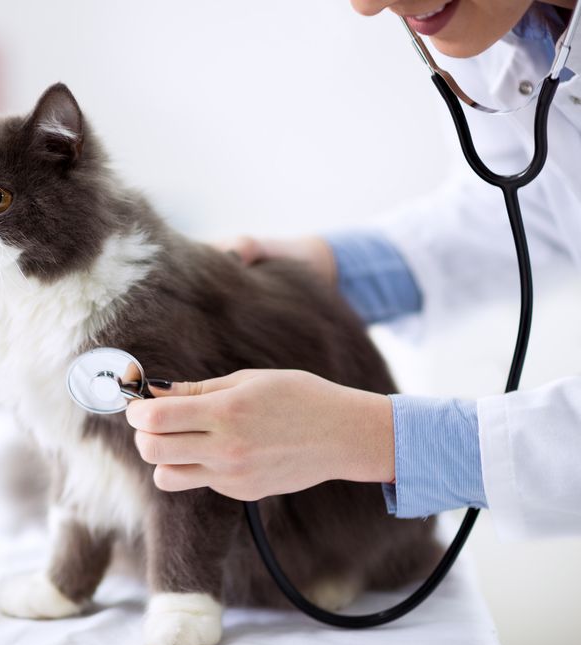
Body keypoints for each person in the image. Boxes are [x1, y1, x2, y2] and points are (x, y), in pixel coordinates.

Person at [126, 0, 581, 541]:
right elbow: (533, 205)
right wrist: (319, 275)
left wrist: (374, 440)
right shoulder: (516, 34)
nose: (368, 6)